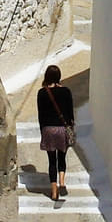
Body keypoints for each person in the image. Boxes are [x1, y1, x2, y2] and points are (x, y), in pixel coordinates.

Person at [34, 63, 77, 203]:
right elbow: (70, 113)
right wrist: (71, 127)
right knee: (62, 157)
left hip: (48, 129)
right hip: (62, 129)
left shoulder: (42, 93)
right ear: (59, 77)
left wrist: (42, 131)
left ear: (47, 76)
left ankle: (53, 191)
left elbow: (41, 115)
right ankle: (62, 182)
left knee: (52, 161)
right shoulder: (66, 91)